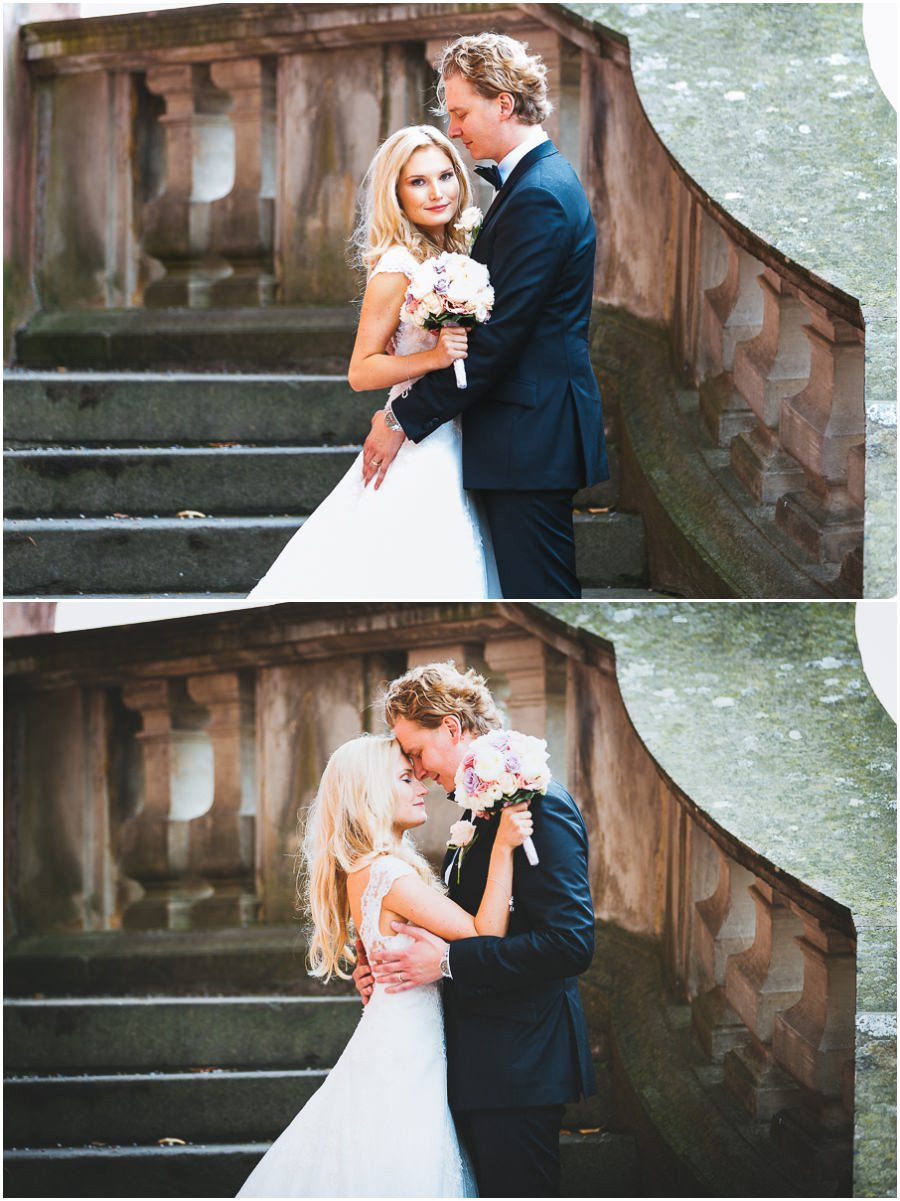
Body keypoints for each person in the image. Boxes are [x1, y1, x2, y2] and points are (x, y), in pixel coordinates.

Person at [362, 33, 609, 600]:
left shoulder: (540, 195)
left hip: (529, 434)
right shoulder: (534, 184)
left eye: (460, 112)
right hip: (525, 429)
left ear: (503, 103)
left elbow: (496, 341)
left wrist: (401, 420)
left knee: (539, 591)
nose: (453, 129)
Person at [236, 733, 534, 1198]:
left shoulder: (365, 871)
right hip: (404, 1051)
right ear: (369, 795)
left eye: (416, 774)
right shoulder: (389, 874)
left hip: (399, 1037)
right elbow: (486, 935)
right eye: (404, 777)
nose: (421, 785)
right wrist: (502, 848)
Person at [353, 661, 596, 1198]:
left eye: (415, 753)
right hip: (482, 1061)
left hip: (519, 1063)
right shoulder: (481, 808)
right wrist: (381, 952)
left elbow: (570, 943)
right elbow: (461, 918)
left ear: (452, 729)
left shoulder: (540, 806)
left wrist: (444, 963)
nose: (414, 770)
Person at [248, 125, 498, 600]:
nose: (437, 192)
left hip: (464, 427)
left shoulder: (462, 251)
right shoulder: (396, 267)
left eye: (445, 176)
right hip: (422, 439)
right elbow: (361, 370)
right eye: (418, 182)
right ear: (397, 194)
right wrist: (433, 356)